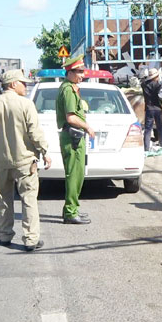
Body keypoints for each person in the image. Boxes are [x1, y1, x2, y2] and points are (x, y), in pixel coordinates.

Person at [0, 70, 52, 252]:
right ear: (13, 84)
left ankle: (4, 235)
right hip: (25, 161)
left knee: (3, 199)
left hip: (2, 161)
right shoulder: (26, 104)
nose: (25, 86)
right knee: (28, 199)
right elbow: (34, 132)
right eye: (22, 83)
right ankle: (30, 239)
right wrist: (45, 151)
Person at [56, 54, 94, 225]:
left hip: (74, 136)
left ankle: (72, 209)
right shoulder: (68, 90)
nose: (82, 74)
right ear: (70, 72)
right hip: (73, 136)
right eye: (79, 71)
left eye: (82, 71)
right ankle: (71, 212)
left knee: (77, 175)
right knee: (74, 175)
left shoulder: (70, 88)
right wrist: (87, 127)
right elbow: (71, 117)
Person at [141, 68, 162, 151]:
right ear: (156, 76)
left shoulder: (144, 85)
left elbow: (143, 82)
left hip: (149, 108)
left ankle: (146, 148)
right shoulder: (158, 86)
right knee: (160, 127)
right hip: (157, 108)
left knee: (148, 129)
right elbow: (160, 97)